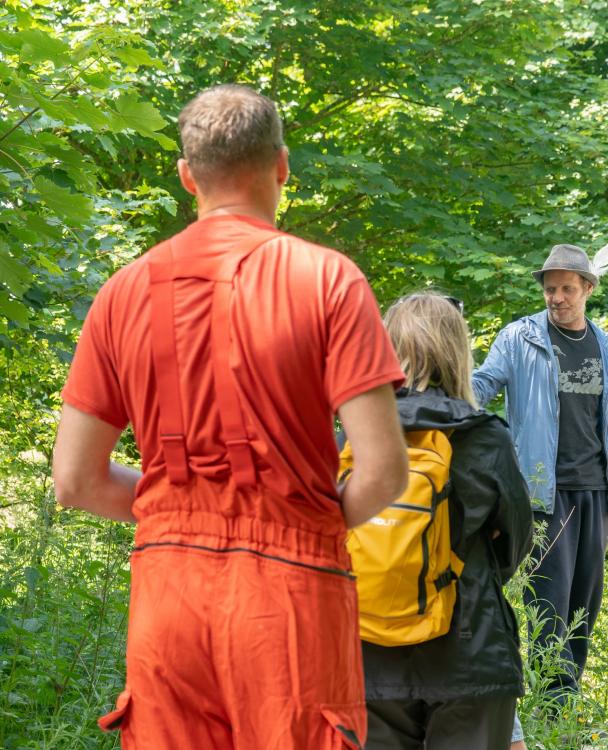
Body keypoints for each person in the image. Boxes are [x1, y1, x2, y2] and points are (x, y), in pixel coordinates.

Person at [52, 84, 409, 747]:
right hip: (293, 595)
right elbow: (385, 470)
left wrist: (175, 509)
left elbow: (75, 480)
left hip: (168, 598)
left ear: (187, 176)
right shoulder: (329, 281)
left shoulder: (123, 292)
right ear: (281, 165)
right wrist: (310, 516)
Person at [359, 293, 533, 750]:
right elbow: (514, 544)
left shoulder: (355, 434)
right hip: (469, 652)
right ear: (458, 350)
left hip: (368, 659)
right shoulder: (484, 436)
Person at [472, 244, 608, 705]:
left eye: (567, 288)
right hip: (543, 495)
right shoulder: (519, 338)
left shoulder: (605, 345)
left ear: (588, 288)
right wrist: (439, 396)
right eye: (550, 289)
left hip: (596, 495)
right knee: (548, 607)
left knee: (585, 609)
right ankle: (548, 707)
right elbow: (482, 386)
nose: (557, 297)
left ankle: (566, 708)